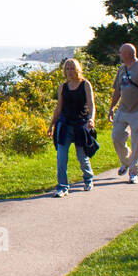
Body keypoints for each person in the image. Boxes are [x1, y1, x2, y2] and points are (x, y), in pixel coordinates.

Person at [107, 43, 138, 184]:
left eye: (121, 53)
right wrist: (112, 107)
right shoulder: (122, 69)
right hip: (123, 110)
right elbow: (117, 90)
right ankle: (126, 161)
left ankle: (134, 172)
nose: (119, 55)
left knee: (137, 142)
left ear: (128, 54)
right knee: (116, 137)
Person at [47, 58, 96, 194]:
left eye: (72, 68)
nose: (69, 71)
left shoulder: (85, 84)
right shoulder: (63, 87)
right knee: (61, 157)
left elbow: (91, 104)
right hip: (65, 125)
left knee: (82, 157)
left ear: (77, 69)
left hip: (80, 124)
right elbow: (59, 108)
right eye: (67, 69)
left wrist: (91, 119)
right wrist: (51, 125)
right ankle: (62, 186)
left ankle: (88, 179)